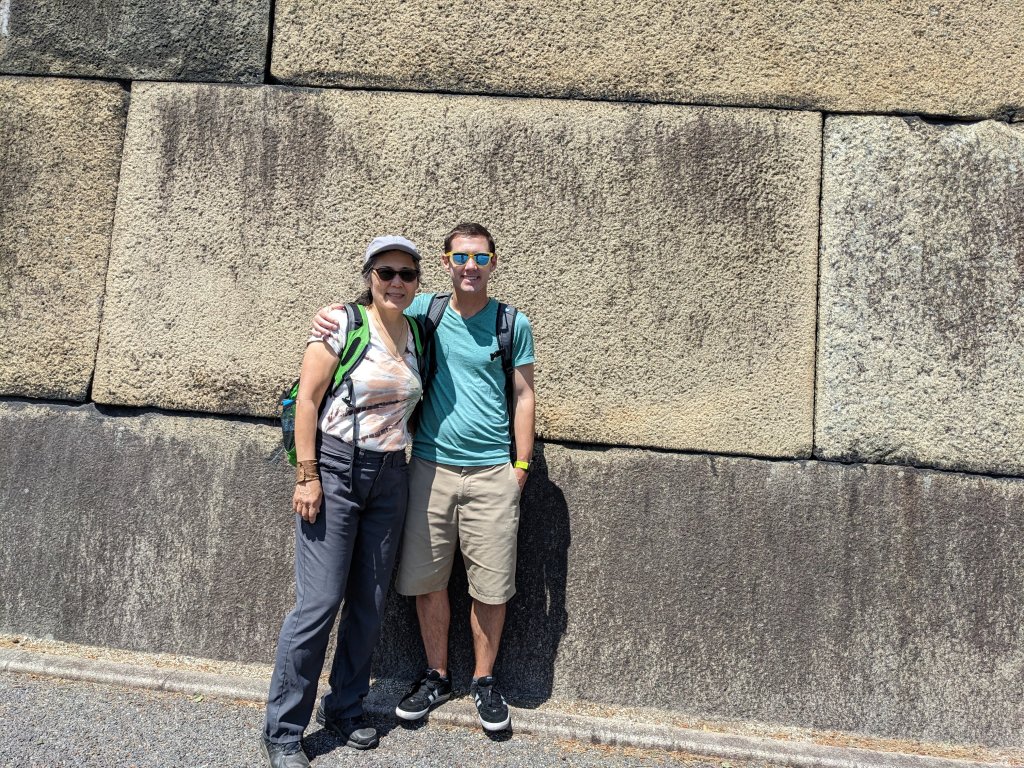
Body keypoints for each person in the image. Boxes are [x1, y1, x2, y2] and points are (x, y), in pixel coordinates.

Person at [313, 222, 535, 733]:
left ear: (493, 263)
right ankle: (436, 675)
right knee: (426, 581)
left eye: (480, 258)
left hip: (493, 471)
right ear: (445, 262)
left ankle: (484, 681)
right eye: (461, 258)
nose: (471, 267)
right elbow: (374, 311)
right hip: (429, 468)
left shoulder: (512, 323)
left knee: (491, 588)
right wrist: (330, 315)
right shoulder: (424, 314)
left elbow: (524, 396)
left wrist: (521, 465)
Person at [261, 236, 425, 768]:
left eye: (406, 273)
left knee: (370, 604)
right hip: (334, 468)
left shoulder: (419, 331)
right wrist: (306, 476)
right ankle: (284, 730)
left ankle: (346, 708)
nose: (396, 282)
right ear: (368, 277)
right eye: (385, 273)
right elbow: (308, 400)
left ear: (418, 282)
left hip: (391, 473)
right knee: (319, 603)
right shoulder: (342, 325)